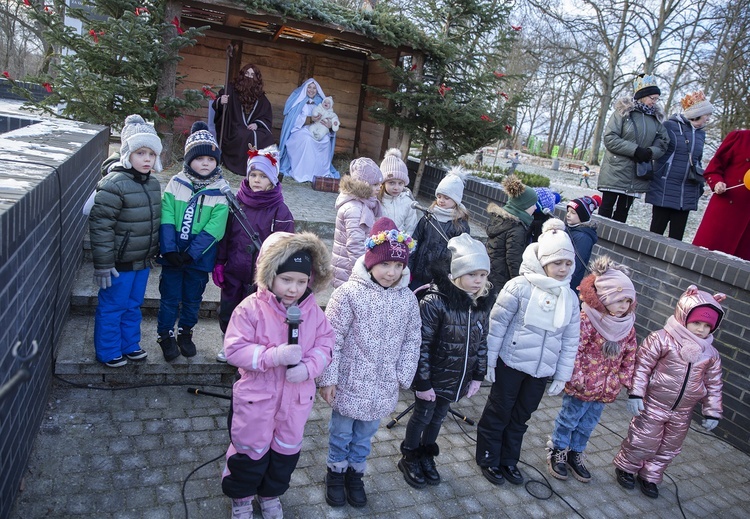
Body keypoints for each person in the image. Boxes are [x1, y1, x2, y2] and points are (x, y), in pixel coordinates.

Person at [221, 232, 335, 519]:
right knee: (249, 452)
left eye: (301, 281)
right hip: (257, 401)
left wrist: (309, 368)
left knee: (284, 455)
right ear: (269, 274)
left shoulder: (314, 313)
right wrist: (273, 356)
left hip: (295, 402)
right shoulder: (250, 309)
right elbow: (235, 349)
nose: (294, 288)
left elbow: (326, 345)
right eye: (286, 279)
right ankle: (242, 497)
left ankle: (270, 494)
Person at [318, 217, 421, 508]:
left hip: (382, 386)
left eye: (398, 266)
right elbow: (331, 338)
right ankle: (335, 473)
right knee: (341, 433)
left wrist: (403, 375)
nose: (391, 272)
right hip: (349, 383)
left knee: (364, 437)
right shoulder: (348, 294)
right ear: (371, 261)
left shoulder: (408, 300)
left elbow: (413, 339)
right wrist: (328, 378)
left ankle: (355, 474)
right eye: (386, 264)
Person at [475, 218, 580, 487]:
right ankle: (488, 456)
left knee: (521, 416)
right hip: (511, 363)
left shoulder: (569, 297)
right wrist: (488, 360)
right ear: (543, 261)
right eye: (557, 262)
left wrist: (561, 375)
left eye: (568, 263)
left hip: (540, 371)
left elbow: (570, 339)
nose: (563, 268)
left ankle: (509, 459)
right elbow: (496, 326)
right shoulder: (519, 286)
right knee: (500, 411)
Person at [398, 234, 494, 489]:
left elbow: (481, 342)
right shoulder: (435, 301)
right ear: (456, 273)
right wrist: (423, 382)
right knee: (422, 416)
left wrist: (477, 375)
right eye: (472, 274)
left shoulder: (480, 304)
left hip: (456, 379)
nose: (478, 281)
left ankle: (426, 454)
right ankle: (409, 455)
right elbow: (422, 345)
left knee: (438, 417)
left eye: (483, 275)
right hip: (432, 378)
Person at [613, 285, 725, 499]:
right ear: (684, 317)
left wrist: (712, 411)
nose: (701, 329)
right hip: (654, 403)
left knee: (669, 447)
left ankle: (651, 476)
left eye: (706, 325)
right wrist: (636, 393)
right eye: (696, 323)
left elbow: (714, 384)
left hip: (683, 412)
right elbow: (643, 365)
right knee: (643, 439)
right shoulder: (662, 339)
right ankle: (627, 467)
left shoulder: (710, 354)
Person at [546, 257, 637, 483]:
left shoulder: (627, 325)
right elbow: (574, 349)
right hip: (582, 384)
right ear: (604, 298)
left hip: (605, 389)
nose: (624, 306)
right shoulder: (588, 319)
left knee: (588, 424)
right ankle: (558, 449)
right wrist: (575, 376)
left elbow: (629, 355)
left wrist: (623, 380)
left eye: (627, 301)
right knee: (569, 419)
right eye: (618, 301)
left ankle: (575, 452)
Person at [88, 114, 162, 367]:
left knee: (133, 305)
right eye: (140, 153)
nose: (147, 159)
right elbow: (101, 226)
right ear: (127, 153)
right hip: (118, 263)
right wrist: (103, 263)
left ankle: (130, 345)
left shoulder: (153, 183)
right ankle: (108, 350)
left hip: (141, 261)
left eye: (151, 154)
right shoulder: (114, 183)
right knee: (112, 307)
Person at [212, 146, 294, 363]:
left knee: (256, 314)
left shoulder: (280, 210)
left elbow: (285, 245)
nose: (257, 180)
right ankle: (229, 344)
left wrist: (279, 274)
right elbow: (225, 235)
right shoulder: (235, 203)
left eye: (263, 176)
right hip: (234, 270)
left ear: (273, 180)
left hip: (262, 276)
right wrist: (219, 262)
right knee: (229, 309)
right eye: (253, 175)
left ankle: (250, 348)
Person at [156, 122, 229, 361]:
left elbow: (214, 229)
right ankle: (165, 335)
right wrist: (169, 250)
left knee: (192, 299)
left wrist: (191, 254)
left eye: (211, 158)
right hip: (173, 255)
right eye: (200, 159)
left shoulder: (221, 191)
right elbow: (167, 216)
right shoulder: (176, 183)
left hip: (198, 259)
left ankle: (185, 332)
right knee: (169, 298)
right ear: (189, 160)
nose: (206, 163)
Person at [597, 74, 669, 223]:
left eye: (657, 99)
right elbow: (610, 138)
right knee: (605, 210)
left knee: (623, 213)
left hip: (637, 174)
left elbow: (663, 141)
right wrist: (635, 150)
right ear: (642, 96)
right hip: (615, 171)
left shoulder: (655, 119)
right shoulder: (623, 113)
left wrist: (650, 152)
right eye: (652, 98)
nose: (654, 102)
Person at [646, 91, 714, 241]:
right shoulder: (670, 126)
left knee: (676, 239)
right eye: (707, 114)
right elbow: (657, 149)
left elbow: (698, 159)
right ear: (698, 113)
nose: (708, 118)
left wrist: (700, 184)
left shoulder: (701, 134)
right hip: (665, 186)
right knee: (655, 235)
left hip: (687, 190)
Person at [408, 167, 471, 292]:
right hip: (418, 274)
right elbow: (415, 242)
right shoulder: (428, 217)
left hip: (440, 280)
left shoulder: (460, 224)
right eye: (439, 196)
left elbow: (461, 254)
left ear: (456, 200)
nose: (441, 201)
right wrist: (409, 267)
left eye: (446, 198)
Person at [692, 130, 750, 260]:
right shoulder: (739, 137)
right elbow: (713, 168)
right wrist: (717, 182)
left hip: (747, 226)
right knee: (704, 258)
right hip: (724, 212)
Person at [212, 63, 274, 176]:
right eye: (247, 73)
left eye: (252, 75)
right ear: (242, 75)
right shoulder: (231, 89)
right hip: (233, 126)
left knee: (266, 137)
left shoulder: (260, 97)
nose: (249, 77)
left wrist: (257, 124)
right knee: (242, 135)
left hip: (252, 127)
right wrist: (221, 101)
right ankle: (245, 167)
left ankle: (261, 168)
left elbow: (266, 115)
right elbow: (217, 105)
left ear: (257, 78)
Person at [331, 158, 383, 288]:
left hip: (349, 267)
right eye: (375, 184)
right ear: (364, 184)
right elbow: (355, 244)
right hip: (349, 270)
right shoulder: (355, 208)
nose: (380, 187)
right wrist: (363, 272)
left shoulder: (363, 204)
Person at [279, 78, 339, 182]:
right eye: (309, 87)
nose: (311, 90)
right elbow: (292, 121)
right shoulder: (298, 101)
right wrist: (309, 119)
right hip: (299, 130)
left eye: (314, 88)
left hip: (318, 130)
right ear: (305, 89)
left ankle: (319, 174)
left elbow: (331, 116)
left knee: (325, 140)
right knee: (307, 140)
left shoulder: (321, 102)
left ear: (317, 90)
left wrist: (329, 125)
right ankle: (303, 173)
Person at [485, 175, 538, 291]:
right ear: (523, 206)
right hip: (504, 283)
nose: (535, 208)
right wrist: (519, 288)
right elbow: (514, 262)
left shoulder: (500, 220)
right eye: (532, 204)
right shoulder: (516, 229)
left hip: (492, 275)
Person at [377, 148, 419, 236]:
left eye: (400, 183)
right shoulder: (375, 200)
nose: (396, 187)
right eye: (391, 183)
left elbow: (410, 227)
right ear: (383, 182)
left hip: (399, 246)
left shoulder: (408, 203)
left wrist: (407, 245)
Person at [565, 195, 601, 294]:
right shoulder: (569, 228)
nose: (568, 215)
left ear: (583, 216)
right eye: (568, 211)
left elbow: (577, 264)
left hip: (568, 283)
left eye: (573, 213)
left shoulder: (583, 238)